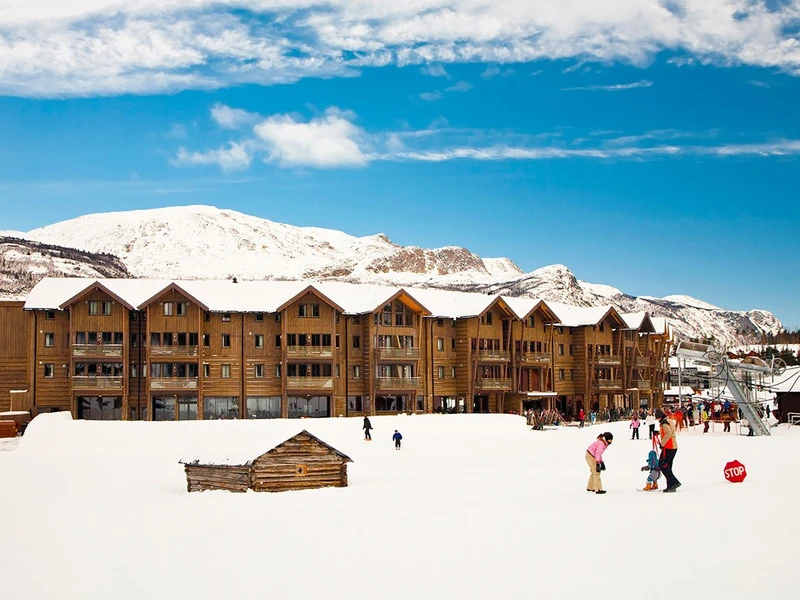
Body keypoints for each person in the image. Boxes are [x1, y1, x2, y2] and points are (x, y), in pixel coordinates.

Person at [656, 409, 681, 493]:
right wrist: (658, 433)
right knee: (668, 466)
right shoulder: (668, 420)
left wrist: (662, 444)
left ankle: (674, 482)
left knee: (662, 465)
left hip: (668, 447)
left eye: (657, 418)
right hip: (673, 446)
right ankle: (670, 485)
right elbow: (667, 432)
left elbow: (668, 433)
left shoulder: (664, 423)